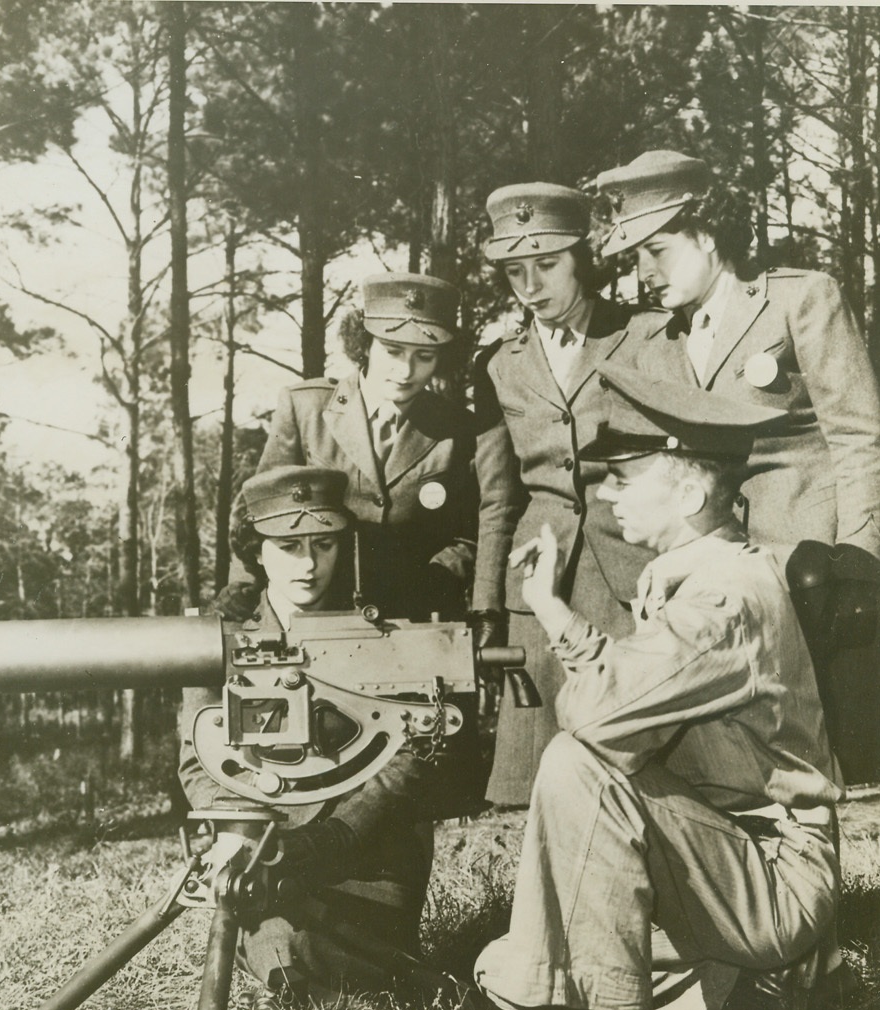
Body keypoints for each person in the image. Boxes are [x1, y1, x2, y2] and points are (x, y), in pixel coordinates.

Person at [475, 362, 842, 1010]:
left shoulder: (723, 596)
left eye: (624, 478)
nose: (605, 494)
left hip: (771, 877)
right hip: (720, 857)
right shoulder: (695, 574)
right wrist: (551, 609)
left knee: (576, 764)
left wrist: (561, 630)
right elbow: (631, 707)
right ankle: (746, 987)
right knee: (502, 967)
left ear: (689, 492)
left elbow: (601, 721)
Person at [180, 466, 455, 1010]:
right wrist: (239, 832)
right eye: (288, 546)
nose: (308, 564)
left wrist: (331, 838)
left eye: (324, 544)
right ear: (257, 552)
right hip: (266, 852)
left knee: (314, 957)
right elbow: (197, 758)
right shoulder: (218, 635)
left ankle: (398, 984)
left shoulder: (384, 632)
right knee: (289, 954)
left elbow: (413, 759)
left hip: (367, 857)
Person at [471, 183, 657, 807]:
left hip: (630, 575)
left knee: (640, 759)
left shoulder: (646, 335)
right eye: (515, 270)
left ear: (583, 258)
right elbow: (499, 498)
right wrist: (486, 607)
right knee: (547, 780)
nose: (530, 284)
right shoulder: (497, 364)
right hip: (542, 585)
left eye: (546, 264)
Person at [596, 149, 880, 558]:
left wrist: (860, 556)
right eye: (635, 258)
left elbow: (859, 438)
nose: (644, 274)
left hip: (812, 565)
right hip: (715, 572)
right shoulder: (658, 345)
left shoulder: (800, 299)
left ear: (706, 234)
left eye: (657, 251)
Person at [251, 273, 477, 622]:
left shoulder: (458, 429)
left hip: (417, 619)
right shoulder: (306, 409)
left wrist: (429, 585)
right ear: (365, 345)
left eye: (424, 356)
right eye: (393, 351)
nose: (405, 370)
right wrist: (243, 605)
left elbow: (470, 534)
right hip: (320, 614)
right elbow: (260, 515)